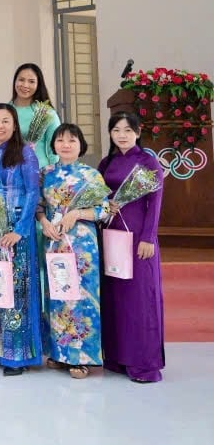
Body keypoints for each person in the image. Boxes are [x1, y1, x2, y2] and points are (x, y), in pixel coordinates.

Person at [98, 111, 166, 383]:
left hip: (138, 236)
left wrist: (149, 237)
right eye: (116, 130)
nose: (122, 135)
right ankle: (117, 356)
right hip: (112, 233)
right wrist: (105, 206)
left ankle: (143, 363)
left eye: (128, 130)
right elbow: (98, 196)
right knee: (115, 296)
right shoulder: (106, 162)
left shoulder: (148, 162)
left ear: (138, 132)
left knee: (139, 298)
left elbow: (156, 201)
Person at [38, 122, 108, 380]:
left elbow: (105, 209)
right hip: (54, 241)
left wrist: (77, 213)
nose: (65, 145)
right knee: (57, 297)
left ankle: (81, 358)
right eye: (60, 140)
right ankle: (59, 353)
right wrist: (44, 223)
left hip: (81, 245)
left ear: (81, 145)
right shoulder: (45, 173)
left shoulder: (92, 175)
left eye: (72, 140)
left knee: (80, 298)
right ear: (53, 145)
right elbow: (38, 204)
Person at [0, 103, 42, 376]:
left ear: (14, 125)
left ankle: (16, 356)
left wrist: (21, 230)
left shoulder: (25, 153)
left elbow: (32, 192)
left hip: (16, 231)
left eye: (5, 121)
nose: (0, 126)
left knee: (17, 291)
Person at [11, 63, 61, 168]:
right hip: (10, 172)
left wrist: (54, 172)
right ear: (15, 81)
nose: (25, 85)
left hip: (40, 172)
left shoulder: (46, 112)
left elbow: (55, 147)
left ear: (38, 85)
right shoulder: (4, 110)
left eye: (31, 81)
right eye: (21, 80)